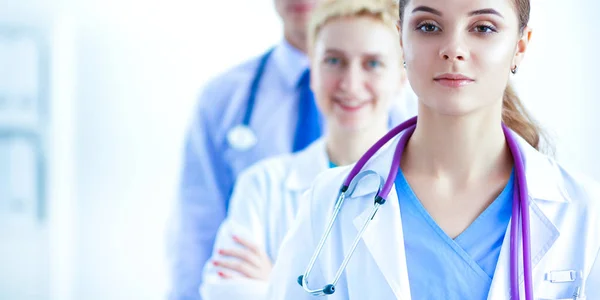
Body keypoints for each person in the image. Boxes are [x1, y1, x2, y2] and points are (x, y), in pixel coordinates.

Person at [266, 0, 600, 299]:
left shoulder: (584, 210)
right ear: (401, 41)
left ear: (520, 46)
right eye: (428, 26)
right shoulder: (328, 204)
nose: (453, 49)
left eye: (483, 28)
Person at [199, 0, 412, 299]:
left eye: (373, 63)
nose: (350, 84)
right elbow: (226, 292)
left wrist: (276, 284)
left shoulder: (423, 190)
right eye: (333, 61)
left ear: (402, 77)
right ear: (312, 69)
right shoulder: (262, 187)